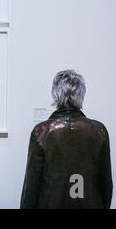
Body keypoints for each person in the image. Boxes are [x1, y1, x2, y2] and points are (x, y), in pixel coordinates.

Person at [20, 70, 113, 209]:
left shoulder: (41, 132)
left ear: (55, 94)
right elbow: (106, 184)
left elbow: (31, 187)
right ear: (81, 94)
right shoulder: (99, 131)